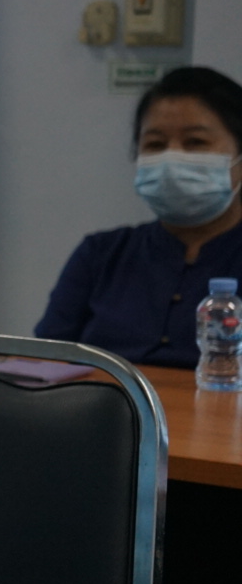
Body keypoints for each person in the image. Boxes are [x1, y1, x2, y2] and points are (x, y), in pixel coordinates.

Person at [36, 67, 242, 368]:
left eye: (195, 142)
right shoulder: (101, 254)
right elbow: (42, 360)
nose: (172, 157)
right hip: (100, 413)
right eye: (155, 144)